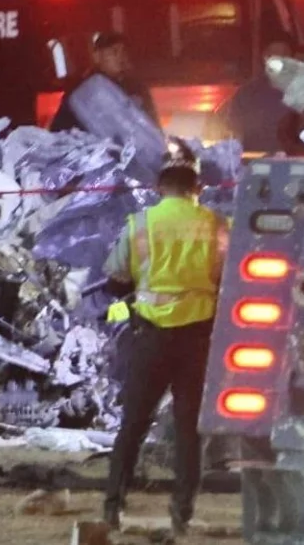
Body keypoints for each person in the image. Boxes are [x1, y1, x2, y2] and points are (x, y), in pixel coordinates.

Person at [101, 139, 229, 534]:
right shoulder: (217, 226)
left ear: (159, 188)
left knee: (134, 424)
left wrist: (133, 301)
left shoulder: (140, 224)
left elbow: (115, 277)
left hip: (152, 335)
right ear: (198, 190)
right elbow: (228, 279)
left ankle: (113, 506)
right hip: (198, 340)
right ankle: (182, 512)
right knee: (189, 430)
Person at [50, 31, 159, 132]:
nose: (120, 57)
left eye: (123, 52)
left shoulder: (136, 88)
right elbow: (60, 129)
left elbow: (152, 125)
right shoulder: (82, 90)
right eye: (114, 52)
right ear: (97, 57)